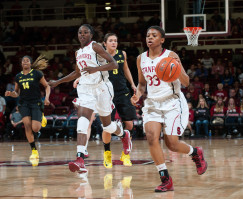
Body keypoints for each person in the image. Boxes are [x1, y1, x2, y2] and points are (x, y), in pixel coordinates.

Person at [131, 26, 207, 192]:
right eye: (148, 35)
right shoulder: (140, 58)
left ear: (162, 40)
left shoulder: (171, 56)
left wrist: (176, 68)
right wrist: (138, 94)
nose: (150, 38)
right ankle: (165, 179)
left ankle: (195, 152)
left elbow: (186, 83)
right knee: (151, 137)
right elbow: (142, 83)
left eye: (154, 35)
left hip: (171, 102)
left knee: (171, 144)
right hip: (152, 103)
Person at [49, 24, 131, 173]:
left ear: (91, 35)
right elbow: (76, 73)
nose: (82, 34)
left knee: (107, 126)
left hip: (102, 88)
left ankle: (124, 135)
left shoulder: (96, 46)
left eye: (85, 32)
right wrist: (58, 81)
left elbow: (114, 65)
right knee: (82, 119)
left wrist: (95, 69)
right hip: (86, 89)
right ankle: (80, 158)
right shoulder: (78, 52)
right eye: (80, 32)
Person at [5, 55, 50, 165]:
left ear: (30, 63)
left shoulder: (37, 73)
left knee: (35, 128)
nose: (25, 62)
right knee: (27, 125)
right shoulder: (18, 76)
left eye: (27, 60)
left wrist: (47, 98)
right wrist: (11, 93)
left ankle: (41, 117)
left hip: (36, 103)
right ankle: (34, 151)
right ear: (21, 64)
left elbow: (47, 86)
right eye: (23, 60)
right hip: (23, 104)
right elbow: (17, 92)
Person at [103, 33, 137, 167]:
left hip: (123, 91)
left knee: (129, 125)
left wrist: (132, 84)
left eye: (115, 41)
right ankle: (107, 154)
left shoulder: (122, 54)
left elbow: (126, 69)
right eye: (110, 41)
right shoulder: (100, 56)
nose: (113, 43)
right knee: (107, 126)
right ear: (104, 43)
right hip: (106, 94)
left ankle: (126, 155)